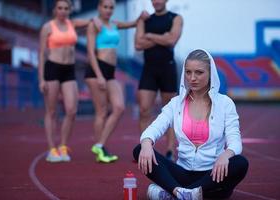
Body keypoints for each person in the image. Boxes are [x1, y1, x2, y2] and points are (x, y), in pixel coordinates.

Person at [133, 49, 249, 200]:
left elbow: (235, 141)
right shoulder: (176, 103)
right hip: (182, 173)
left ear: (210, 74)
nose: (192, 78)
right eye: (188, 72)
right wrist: (147, 143)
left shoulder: (225, 103)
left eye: (199, 72)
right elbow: (154, 128)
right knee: (140, 149)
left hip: (213, 175)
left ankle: (173, 193)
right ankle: (183, 193)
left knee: (240, 163)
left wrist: (226, 155)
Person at [85, 0, 148, 163]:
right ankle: (100, 150)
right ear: (99, 7)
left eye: (111, 7)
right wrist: (99, 75)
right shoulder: (94, 25)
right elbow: (90, 53)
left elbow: (132, 24)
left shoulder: (113, 24)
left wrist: (140, 17)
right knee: (101, 111)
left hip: (110, 71)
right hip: (96, 69)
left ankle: (99, 145)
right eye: (105, 7)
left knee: (119, 107)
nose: (108, 10)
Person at [38, 0, 90, 162]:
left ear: (70, 10)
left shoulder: (72, 24)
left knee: (71, 110)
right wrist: (41, 79)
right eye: (60, 8)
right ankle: (52, 149)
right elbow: (41, 54)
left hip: (69, 70)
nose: (63, 11)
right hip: (52, 68)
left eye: (66, 8)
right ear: (55, 10)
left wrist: (96, 21)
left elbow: (91, 21)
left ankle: (63, 147)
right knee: (51, 111)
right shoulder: (48, 27)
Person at [135, 0, 183, 160]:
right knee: (143, 110)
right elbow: (138, 44)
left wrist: (149, 36)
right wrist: (162, 37)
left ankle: (170, 150)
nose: (157, 1)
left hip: (167, 68)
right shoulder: (145, 19)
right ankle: (146, 149)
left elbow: (172, 40)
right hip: (149, 69)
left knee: (169, 112)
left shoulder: (175, 18)